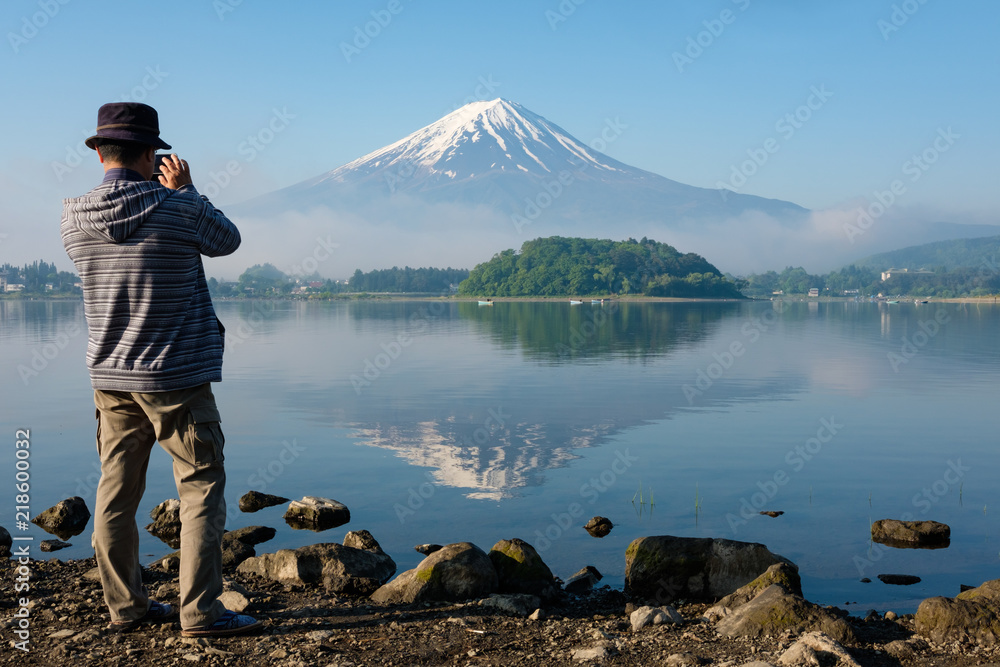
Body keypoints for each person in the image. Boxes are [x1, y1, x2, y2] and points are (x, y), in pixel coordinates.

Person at [61, 102, 261, 637]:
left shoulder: (73, 217)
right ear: (153, 153)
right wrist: (188, 192)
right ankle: (201, 613)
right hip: (178, 379)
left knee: (115, 494)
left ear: (99, 152)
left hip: (110, 378)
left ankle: (126, 608)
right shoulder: (179, 208)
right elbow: (227, 240)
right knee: (199, 489)